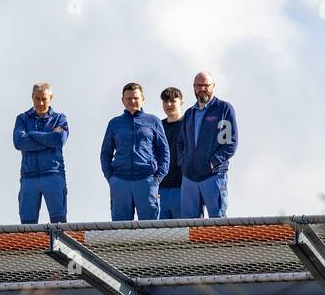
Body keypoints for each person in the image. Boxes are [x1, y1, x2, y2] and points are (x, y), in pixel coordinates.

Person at [99, 82, 169, 221]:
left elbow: (164, 152)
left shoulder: (153, 121)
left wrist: (156, 179)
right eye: (128, 98)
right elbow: (105, 153)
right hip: (120, 181)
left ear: (142, 98)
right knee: (121, 230)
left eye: (136, 98)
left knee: (149, 229)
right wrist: (111, 178)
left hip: (146, 181)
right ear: (122, 100)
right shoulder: (114, 123)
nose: (132, 101)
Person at [175, 71, 238, 218]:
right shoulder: (189, 113)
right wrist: (184, 163)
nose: (202, 89)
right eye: (198, 85)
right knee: (189, 226)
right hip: (189, 178)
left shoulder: (223, 109)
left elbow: (230, 142)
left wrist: (213, 163)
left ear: (213, 86)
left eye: (206, 85)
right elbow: (181, 143)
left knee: (217, 224)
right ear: (193, 87)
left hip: (214, 176)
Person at [13, 82, 69, 223]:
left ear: (51, 98)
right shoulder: (22, 119)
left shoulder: (60, 118)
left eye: (44, 99)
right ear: (32, 97)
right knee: (27, 226)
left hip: (53, 175)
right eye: (37, 98)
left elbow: (58, 140)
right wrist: (47, 137)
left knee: (59, 225)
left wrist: (31, 134)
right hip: (29, 178)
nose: (41, 102)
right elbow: (19, 142)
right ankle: (32, 246)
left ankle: (57, 246)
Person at [158, 86, 185, 219]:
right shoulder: (157, 126)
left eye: (173, 101)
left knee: (184, 232)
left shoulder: (189, 124)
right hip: (160, 189)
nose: (168, 105)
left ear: (181, 102)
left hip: (183, 188)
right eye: (165, 101)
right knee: (160, 235)